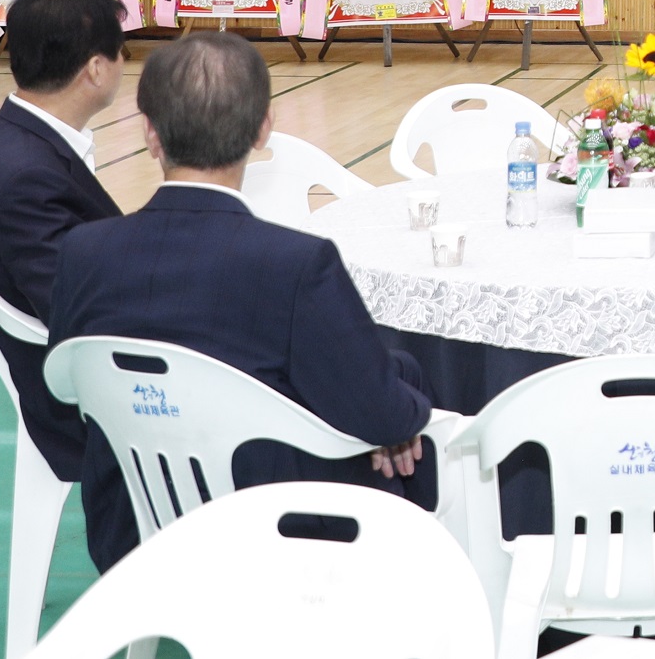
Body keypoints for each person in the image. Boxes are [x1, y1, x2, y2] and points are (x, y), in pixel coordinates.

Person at [49, 32, 433, 570]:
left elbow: (63, 405)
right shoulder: (296, 263)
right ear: (262, 129)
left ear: (149, 133)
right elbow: (382, 414)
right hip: (277, 537)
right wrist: (404, 394)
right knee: (408, 416)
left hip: (132, 534)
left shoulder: (84, 252)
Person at [0, 0, 127, 491]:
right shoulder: (27, 176)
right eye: (120, 52)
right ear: (95, 69)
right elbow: (80, 313)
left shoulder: (19, 139)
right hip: (85, 407)